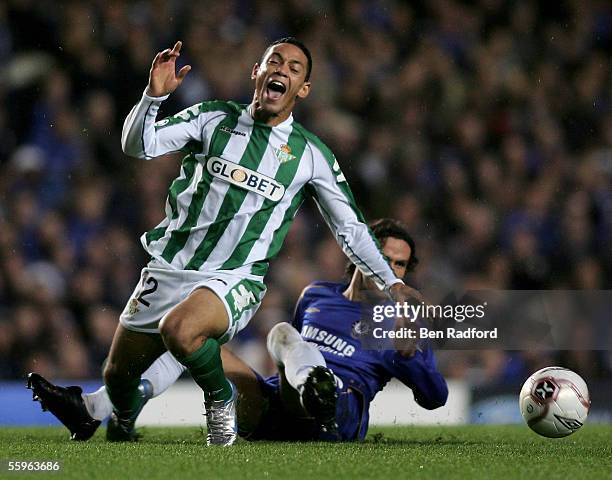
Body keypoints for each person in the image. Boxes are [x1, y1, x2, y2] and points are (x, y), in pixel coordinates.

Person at [94, 37, 422, 446]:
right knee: (117, 374)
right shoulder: (213, 118)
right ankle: (122, 420)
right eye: (275, 61)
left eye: (294, 68)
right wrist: (152, 97)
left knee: (180, 329)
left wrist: (391, 286)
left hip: (235, 278)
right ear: (257, 71)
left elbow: (351, 228)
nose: (282, 69)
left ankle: (220, 404)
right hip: (171, 266)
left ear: (302, 89)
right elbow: (139, 145)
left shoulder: (310, 155)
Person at [29, 219, 448, 442]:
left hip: (338, 415)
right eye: (382, 256)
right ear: (360, 252)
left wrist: (411, 356)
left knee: (283, 333)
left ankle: (319, 391)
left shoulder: (401, 324)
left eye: (399, 264)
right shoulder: (317, 294)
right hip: (276, 403)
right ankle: (94, 409)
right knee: (184, 333)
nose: (388, 269)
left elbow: (435, 398)